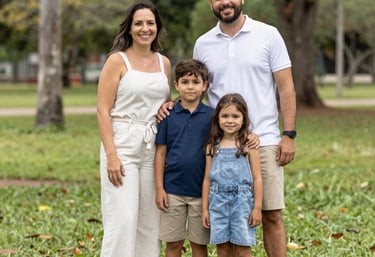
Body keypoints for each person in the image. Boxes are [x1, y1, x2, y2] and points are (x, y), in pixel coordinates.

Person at [159, 1, 297, 256]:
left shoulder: (268, 35)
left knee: (271, 215)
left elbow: (286, 87)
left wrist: (288, 135)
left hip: (263, 141)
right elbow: (196, 85)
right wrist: (172, 105)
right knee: (225, 217)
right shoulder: (203, 43)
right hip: (219, 144)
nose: (225, 2)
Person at [96, 1, 171, 256]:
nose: (144, 28)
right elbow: (103, 110)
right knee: (123, 219)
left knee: (150, 222)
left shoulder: (164, 64)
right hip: (123, 143)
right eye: (138, 23)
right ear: (129, 28)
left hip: (152, 147)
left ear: (157, 27)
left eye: (150, 23)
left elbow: (164, 102)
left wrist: (166, 108)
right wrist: (112, 155)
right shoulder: (117, 61)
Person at [154, 59, 212, 257]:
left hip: (201, 192)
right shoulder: (168, 116)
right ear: (176, 85)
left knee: (199, 245)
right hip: (173, 190)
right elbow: (160, 153)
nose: (190, 87)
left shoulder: (212, 116)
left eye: (196, 82)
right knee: (173, 244)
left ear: (205, 85)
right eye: (185, 82)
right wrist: (160, 188)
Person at [202, 93, 263, 257]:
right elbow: (207, 179)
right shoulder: (212, 147)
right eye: (225, 116)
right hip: (217, 203)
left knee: (243, 248)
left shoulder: (249, 145)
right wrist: (205, 210)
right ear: (218, 118)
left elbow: (257, 178)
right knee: (223, 249)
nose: (230, 121)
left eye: (235, 116)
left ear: (244, 118)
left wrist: (257, 208)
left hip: (242, 203)